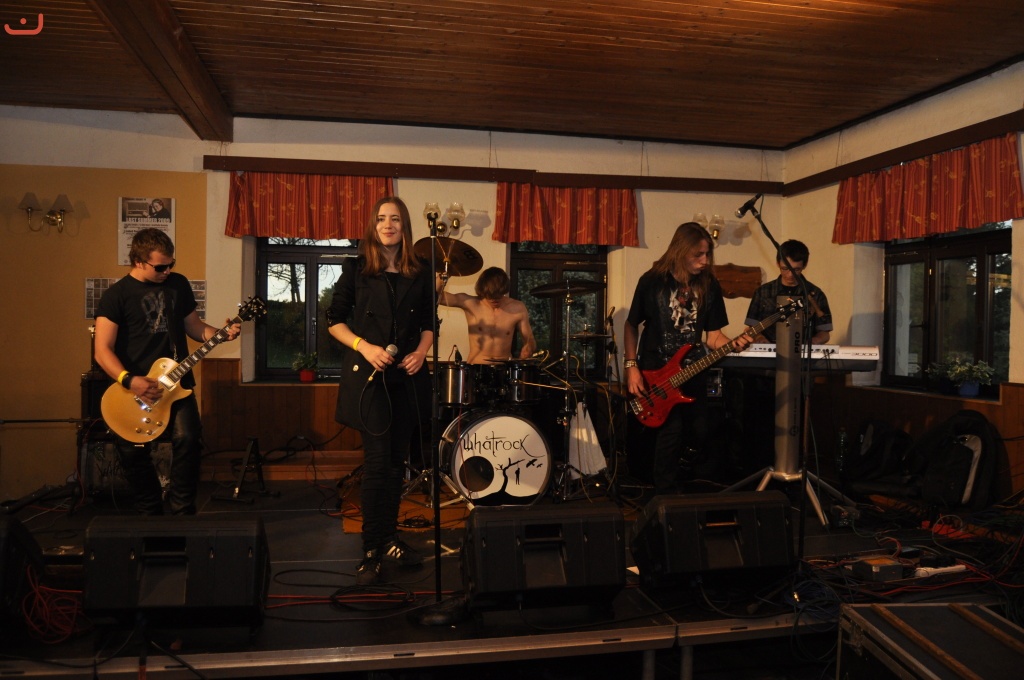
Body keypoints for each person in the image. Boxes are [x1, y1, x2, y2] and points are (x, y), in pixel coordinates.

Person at [94, 228, 240, 515]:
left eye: (171, 264)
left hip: (177, 383)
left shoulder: (178, 285)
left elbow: (195, 327)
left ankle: (182, 511)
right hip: (134, 388)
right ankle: (150, 512)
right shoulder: (115, 296)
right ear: (139, 261)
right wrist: (129, 380)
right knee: (132, 453)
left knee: (188, 439)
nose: (167, 271)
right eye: (160, 267)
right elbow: (102, 350)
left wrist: (220, 334)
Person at [327, 196, 434, 586]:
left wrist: (421, 352)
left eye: (396, 219)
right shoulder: (357, 269)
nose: (388, 225)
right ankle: (371, 548)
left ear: (405, 227)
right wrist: (365, 347)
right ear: (373, 226)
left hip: (406, 377)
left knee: (395, 464)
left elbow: (428, 322)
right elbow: (334, 320)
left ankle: (389, 538)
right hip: (370, 379)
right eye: (382, 219)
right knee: (376, 465)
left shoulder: (420, 271)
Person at [623, 222, 753, 494]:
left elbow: (714, 337)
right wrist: (631, 366)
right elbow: (631, 324)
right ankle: (664, 495)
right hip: (657, 372)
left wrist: (734, 344)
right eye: (698, 255)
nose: (704, 261)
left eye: (707, 254)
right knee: (670, 433)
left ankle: (680, 486)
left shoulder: (709, 285)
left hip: (693, 371)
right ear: (681, 251)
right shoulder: (652, 281)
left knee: (700, 430)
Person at [437, 266, 537, 364]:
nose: (494, 299)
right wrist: (444, 275)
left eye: (498, 296)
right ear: (483, 292)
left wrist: (529, 347)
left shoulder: (517, 308)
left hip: (504, 369)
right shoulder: (471, 303)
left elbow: (530, 340)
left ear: (504, 291)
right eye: (490, 296)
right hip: (476, 367)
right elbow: (437, 297)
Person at [744, 239, 832, 345]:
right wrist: (759, 337)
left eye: (796, 270)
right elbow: (751, 328)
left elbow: (824, 332)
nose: (790, 274)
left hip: (802, 352)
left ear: (804, 265)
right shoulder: (762, 292)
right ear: (778, 263)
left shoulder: (815, 294)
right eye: (785, 268)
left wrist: (810, 343)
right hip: (769, 351)